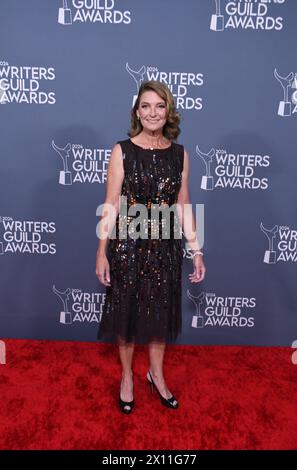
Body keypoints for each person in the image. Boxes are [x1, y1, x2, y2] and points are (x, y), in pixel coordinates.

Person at [96, 80, 206, 414]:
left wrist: (196, 249)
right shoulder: (122, 151)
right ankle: (127, 377)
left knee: (160, 317)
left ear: (168, 111)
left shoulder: (180, 154)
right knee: (126, 317)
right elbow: (111, 204)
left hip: (166, 248)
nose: (153, 113)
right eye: (146, 106)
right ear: (137, 112)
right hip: (127, 244)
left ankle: (155, 374)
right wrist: (102, 251)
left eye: (159, 106)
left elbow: (183, 204)